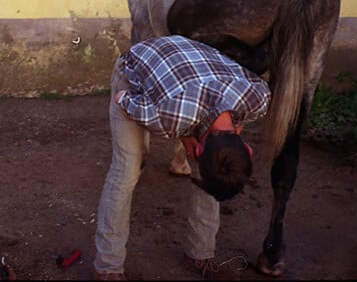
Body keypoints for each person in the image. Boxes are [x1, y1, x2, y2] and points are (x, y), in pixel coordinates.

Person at [92, 35, 270, 281]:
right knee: (127, 170)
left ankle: (200, 254)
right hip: (138, 67)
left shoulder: (259, 98)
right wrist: (183, 132)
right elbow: (123, 101)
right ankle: (107, 267)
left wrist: (194, 133)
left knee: (217, 168)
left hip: (193, 65)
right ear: (195, 151)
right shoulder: (164, 117)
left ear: (248, 149)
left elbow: (226, 122)